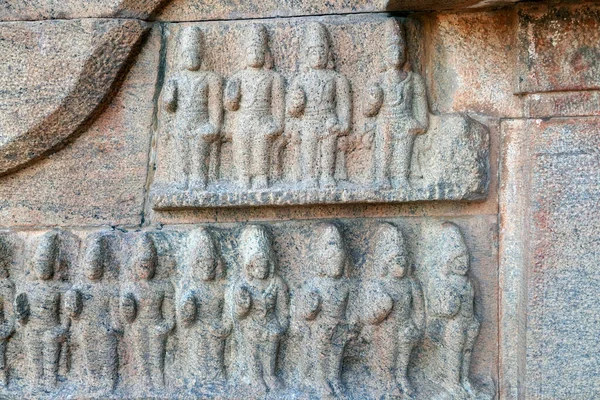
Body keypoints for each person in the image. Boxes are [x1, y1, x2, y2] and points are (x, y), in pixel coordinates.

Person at [364, 19, 428, 189]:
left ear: (406, 52)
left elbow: (422, 112)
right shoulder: (378, 80)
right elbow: (368, 111)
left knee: (403, 150)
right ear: (384, 53)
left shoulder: (414, 80)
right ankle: (382, 176)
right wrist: (374, 99)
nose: (397, 53)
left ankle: (401, 177)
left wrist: (418, 124)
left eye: (400, 48)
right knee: (384, 141)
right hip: (386, 121)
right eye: (392, 48)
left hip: (406, 121)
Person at [362, 223, 424, 397]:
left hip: (405, 328)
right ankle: (387, 381)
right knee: (389, 352)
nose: (402, 266)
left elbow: (419, 310)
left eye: (404, 261)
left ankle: (402, 377)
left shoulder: (411, 284)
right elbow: (368, 316)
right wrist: (382, 308)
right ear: (386, 263)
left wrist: (416, 328)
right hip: (383, 330)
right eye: (397, 261)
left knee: (403, 355)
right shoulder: (378, 284)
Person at [287, 22, 351, 188]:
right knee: (309, 146)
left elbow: (344, 104)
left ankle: (327, 175)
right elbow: (291, 111)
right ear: (306, 56)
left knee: (329, 147)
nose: (317, 56)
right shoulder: (300, 80)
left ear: (328, 54)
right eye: (313, 52)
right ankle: (309, 176)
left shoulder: (337, 78)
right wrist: (296, 104)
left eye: (321, 51)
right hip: (308, 120)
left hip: (329, 120)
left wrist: (343, 123)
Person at [230, 225, 289, 394]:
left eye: (264, 265)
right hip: (251, 323)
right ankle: (256, 377)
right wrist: (243, 306)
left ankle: (270, 374)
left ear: (270, 265)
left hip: (271, 322)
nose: (261, 269)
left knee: (272, 342)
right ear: (250, 266)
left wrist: (281, 326)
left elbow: (283, 310)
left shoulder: (277, 283)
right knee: (253, 345)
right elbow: (238, 315)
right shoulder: (243, 284)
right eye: (257, 265)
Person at [225, 25, 285, 190]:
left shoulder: (274, 77)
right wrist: (231, 97)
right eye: (251, 51)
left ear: (266, 55)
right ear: (244, 55)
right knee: (242, 144)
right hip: (243, 118)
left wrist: (277, 124)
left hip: (264, 118)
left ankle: (261, 176)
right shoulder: (238, 77)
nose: (255, 55)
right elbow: (230, 106)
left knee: (261, 147)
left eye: (259, 51)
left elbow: (278, 104)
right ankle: (243, 176)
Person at [163, 26, 223, 191]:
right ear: (182, 57)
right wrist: (169, 99)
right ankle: (183, 176)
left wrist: (214, 125)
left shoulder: (211, 78)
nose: (191, 58)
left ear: (202, 56)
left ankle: (198, 176)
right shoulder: (176, 78)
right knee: (182, 149)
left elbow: (215, 104)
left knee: (199, 148)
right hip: (182, 121)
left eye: (195, 55)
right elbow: (169, 108)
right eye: (187, 55)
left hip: (202, 121)